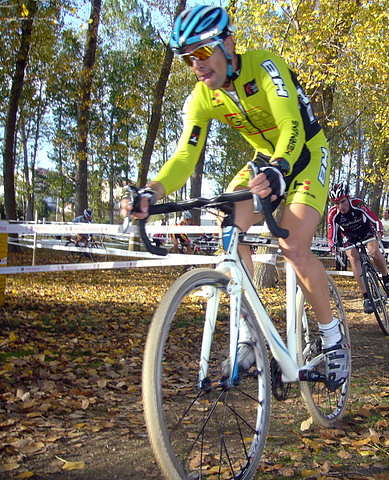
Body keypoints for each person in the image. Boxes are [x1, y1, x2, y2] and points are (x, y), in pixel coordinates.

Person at [119, 6, 348, 391]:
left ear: (228, 44)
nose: (197, 64)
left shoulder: (265, 67)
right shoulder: (201, 99)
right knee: (229, 228)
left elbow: (291, 123)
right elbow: (184, 156)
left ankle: (332, 336)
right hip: (264, 160)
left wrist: (279, 168)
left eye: (203, 53)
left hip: (305, 154)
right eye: (188, 57)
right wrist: (152, 191)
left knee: (291, 245)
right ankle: (248, 333)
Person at [327, 183, 389, 313]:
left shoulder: (357, 204)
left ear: (348, 198)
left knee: (374, 251)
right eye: (336, 204)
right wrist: (333, 245)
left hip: (365, 230)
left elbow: (376, 220)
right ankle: (366, 297)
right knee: (353, 258)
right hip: (348, 235)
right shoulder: (332, 213)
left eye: (342, 202)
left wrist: (379, 231)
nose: (340, 207)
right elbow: (331, 235)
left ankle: (386, 280)